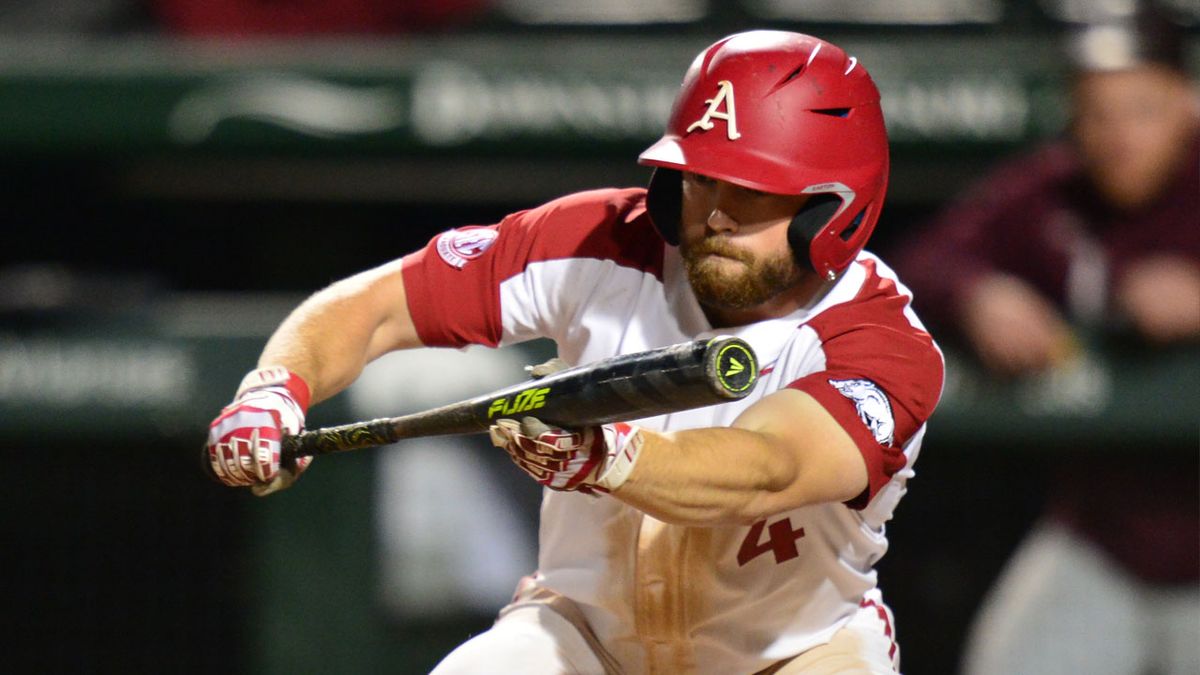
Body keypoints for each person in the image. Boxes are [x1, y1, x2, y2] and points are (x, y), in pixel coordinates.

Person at [206, 30, 944, 674]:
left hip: (795, 653)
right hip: (587, 639)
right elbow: (373, 307)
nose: (713, 213)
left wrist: (606, 458)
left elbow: (766, 469)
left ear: (834, 209)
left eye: (752, 191)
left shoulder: (884, 343)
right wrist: (275, 386)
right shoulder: (601, 241)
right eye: (697, 178)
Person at [891, 5, 1199, 675]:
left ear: (1186, 103)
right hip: (1103, 535)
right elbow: (923, 258)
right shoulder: (1057, 188)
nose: (1119, 136)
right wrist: (978, 292)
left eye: (1142, 110)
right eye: (1098, 113)